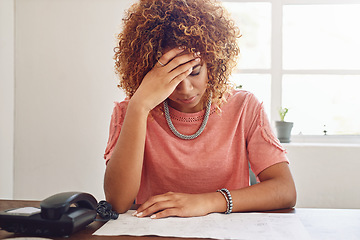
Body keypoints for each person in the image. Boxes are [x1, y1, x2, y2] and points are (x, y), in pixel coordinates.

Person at [103, 0, 296, 219]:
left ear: (211, 64)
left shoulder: (244, 107)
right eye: (171, 76)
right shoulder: (131, 110)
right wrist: (139, 106)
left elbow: (285, 190)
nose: (185, 89)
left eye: (194, 72)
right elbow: (117, 203)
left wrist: (207, 201)